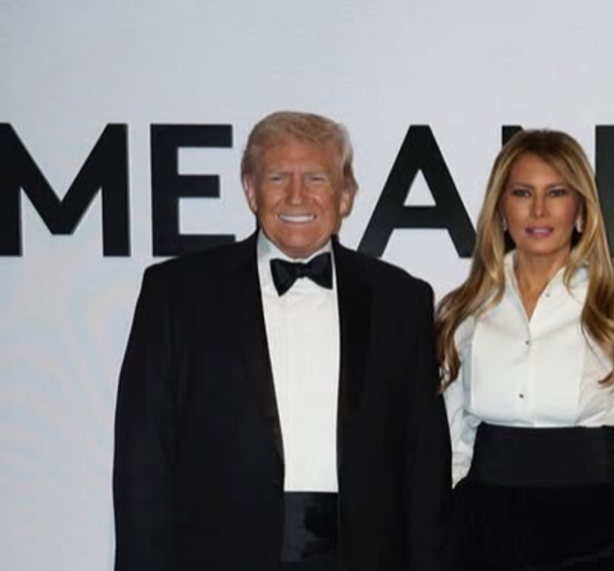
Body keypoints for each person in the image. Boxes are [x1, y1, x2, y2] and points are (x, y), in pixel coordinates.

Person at [113, 111, 451, 571]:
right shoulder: (177, 295)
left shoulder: (402, 300)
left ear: (345, 195)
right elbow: (142, 462)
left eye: (316, 178)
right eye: (277, 177)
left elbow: (425, 465)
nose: (296, 195)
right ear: (250, 190)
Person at [436, 129, 614, 570]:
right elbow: (450, 441)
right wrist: (449, 521)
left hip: (593, 537)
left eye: (556, 193)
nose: (538, 209)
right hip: (478, 538)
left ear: (582, 208)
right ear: (500, 207)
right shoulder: (464, 311)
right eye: (522, 192)